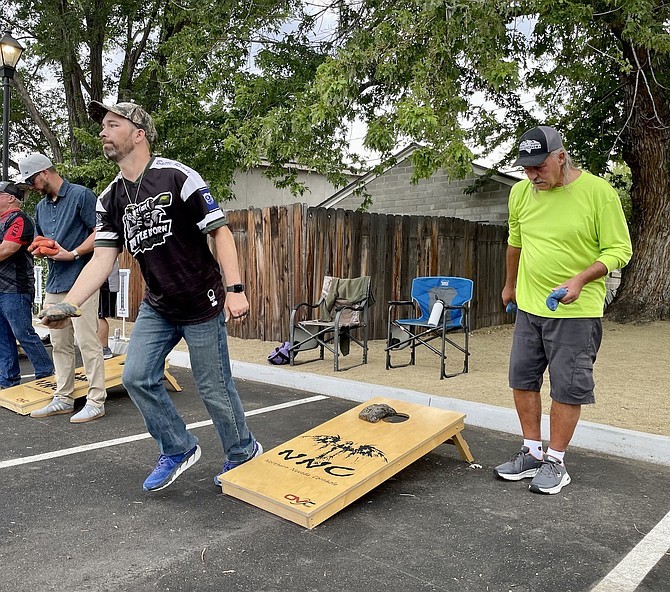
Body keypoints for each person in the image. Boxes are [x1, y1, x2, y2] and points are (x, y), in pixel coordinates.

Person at [39, 101, 261, 492]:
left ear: (138, 133)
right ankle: (177, 448)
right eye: (103, 126)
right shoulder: (109, 198)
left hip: (202, 300)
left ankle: (244, 452)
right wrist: (69, 303)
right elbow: (102, 258)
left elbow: (220, 231)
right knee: (136, 376)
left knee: (214, 386)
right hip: (159, 306)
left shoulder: (177, 176)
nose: (103, 132)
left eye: (112, 124)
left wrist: (235, 289)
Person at [495, 126, 632, 494]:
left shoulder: (598, 193)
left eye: (539, 167)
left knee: (567, 388)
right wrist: (510, 286)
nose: (532, 175)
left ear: (560, 157)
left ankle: (555, 461)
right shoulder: (520, 193)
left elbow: (619, 251)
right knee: (522, 379)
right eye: (526, 168)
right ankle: (531, 452)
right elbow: (515, 242)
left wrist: (581, 280)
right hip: (530, 307)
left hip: (576, 312)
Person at [18, 153, 107, 423]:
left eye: (32, 180)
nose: (31, 187)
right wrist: (40, 249)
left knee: (87, 341)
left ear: (44, 173)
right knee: (59, 343)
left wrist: (74, 253)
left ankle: (96, 400)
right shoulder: (41, 208)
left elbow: (100, 232)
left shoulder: (82, 195)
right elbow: (39, 240)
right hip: (56, 280)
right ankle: (64, 397)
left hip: (83, 278)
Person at [0, 181, 54, 388]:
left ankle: (45, 374)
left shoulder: (19, 219)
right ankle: (8, 381)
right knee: (3, 336)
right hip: (2, 289)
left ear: (11, 198)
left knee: (23, 332)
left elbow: (7, 249)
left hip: (15, 288)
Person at [98, 259, 119, 359]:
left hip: (105, 283)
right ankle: (102, 348)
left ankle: (104, 348)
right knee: (98, 315)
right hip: (103, 281)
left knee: (99, 316)